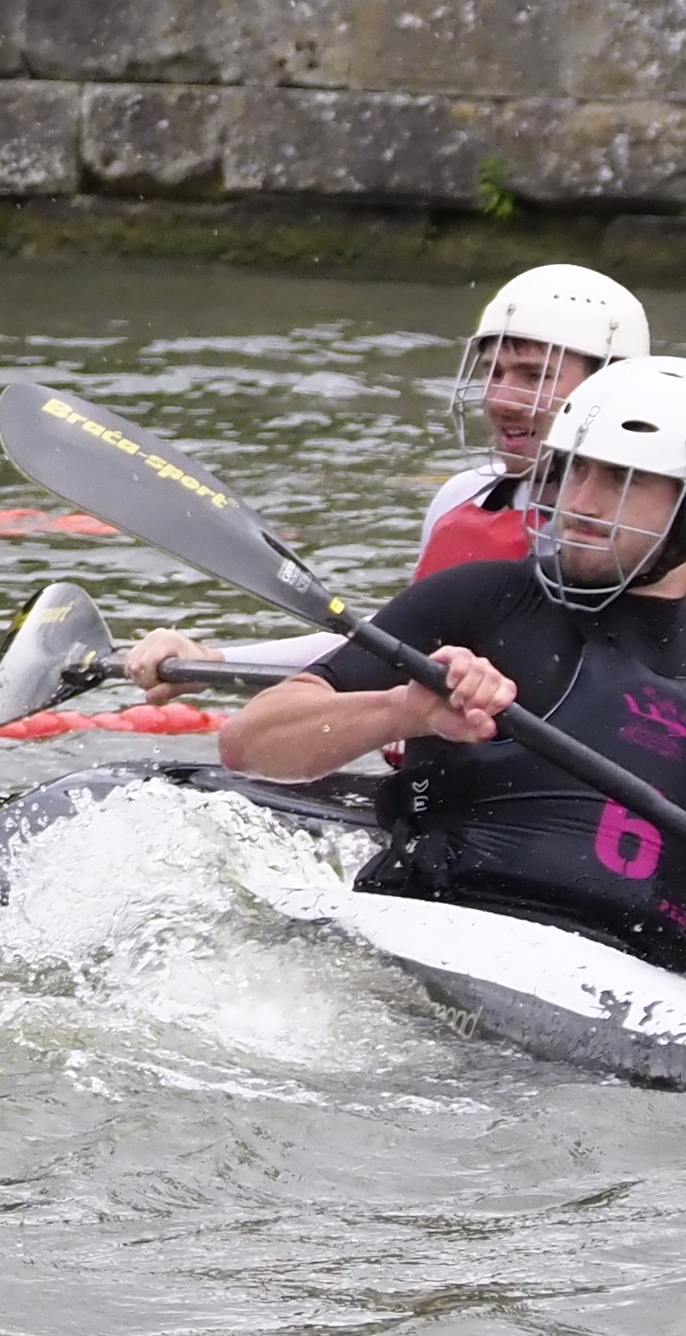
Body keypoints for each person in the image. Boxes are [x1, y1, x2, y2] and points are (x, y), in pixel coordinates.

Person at [221, 354, 686, 958]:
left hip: (637, 984)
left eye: (623, 480)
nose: (583, 503)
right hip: (435, 939)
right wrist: (404, 711)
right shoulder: (485, 598)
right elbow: (248, 743)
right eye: (574, 473)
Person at [115, 262, 655, 689]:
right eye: (493, 372)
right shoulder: (462, 499)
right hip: (432, 779)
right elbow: (388, 642)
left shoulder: (650, 534)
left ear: (608, 387)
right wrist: (214, 660)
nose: (500, 399)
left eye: (534, 376)